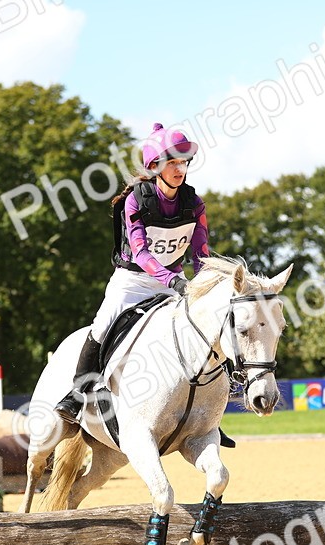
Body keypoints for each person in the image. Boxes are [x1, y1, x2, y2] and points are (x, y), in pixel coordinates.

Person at [54, 122, 211, 424]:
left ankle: (210, 409)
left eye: (184, 162)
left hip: (174, 283)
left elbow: (200, 253)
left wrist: (203, 284)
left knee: (206, 324)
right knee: (102, 324)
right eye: (173, 162)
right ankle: (77, 396)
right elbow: (141, 253)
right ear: (155, 165)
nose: (181, 168)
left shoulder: (194, 203)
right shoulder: (135, 200)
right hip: (133, 281)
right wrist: (173, 280)